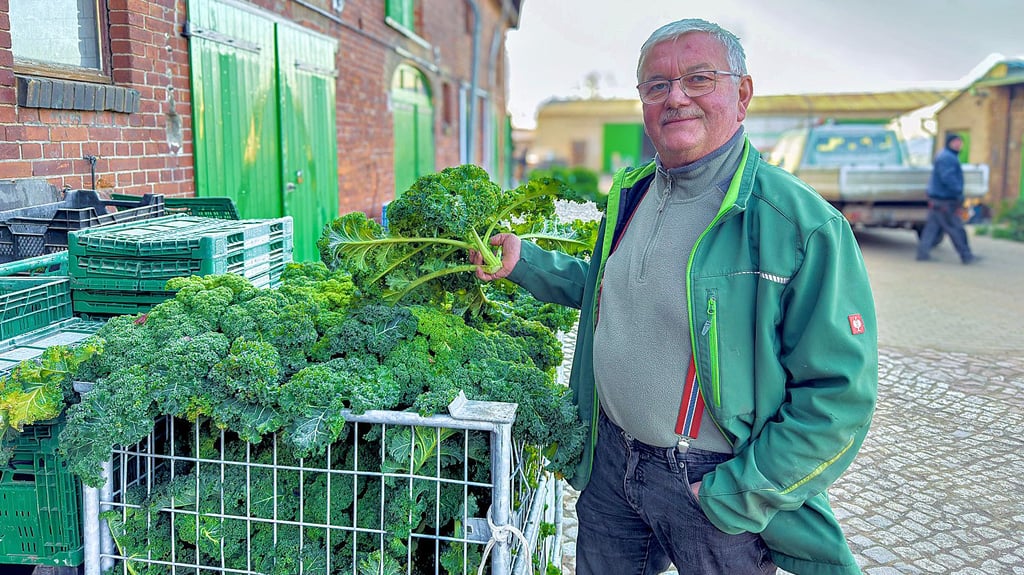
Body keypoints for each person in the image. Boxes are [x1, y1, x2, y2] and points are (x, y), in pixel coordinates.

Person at [473, 18, 877, 575]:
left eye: (698, 78)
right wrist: (527, 264)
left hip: (710, 485)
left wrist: (739, 493)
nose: (676, 97)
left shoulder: (801, 226)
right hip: (612, 464)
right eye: (657, 85)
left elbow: (838, 398)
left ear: (742, 93)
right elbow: (610, 288)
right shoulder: (633, 193)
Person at [916, 134, 978, 264]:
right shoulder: (947, 158)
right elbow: (947, 177)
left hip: (938, 200)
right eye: (955, 142)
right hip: (945, 200)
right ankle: (966, 255)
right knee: (955, 228)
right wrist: (958, 192)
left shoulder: (946, 155)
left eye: (960, 143)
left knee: (931, 228)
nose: (958, 145)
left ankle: (922, 253)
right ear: (949, 143)